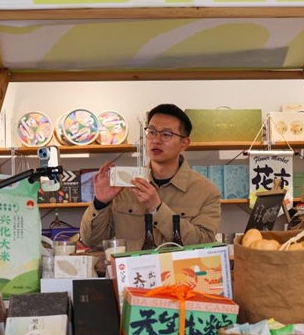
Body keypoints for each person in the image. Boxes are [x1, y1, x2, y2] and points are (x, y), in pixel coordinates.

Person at [80, 104, 221, 249]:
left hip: (177, 271)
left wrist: (157, 209)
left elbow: (204, 244)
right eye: (152, 132)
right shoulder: (125, 185)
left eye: (166, 134)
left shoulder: (206, 191)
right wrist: (101, 203)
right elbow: (91, 240)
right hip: (131, 271)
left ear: (184, 144)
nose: (156, 140)